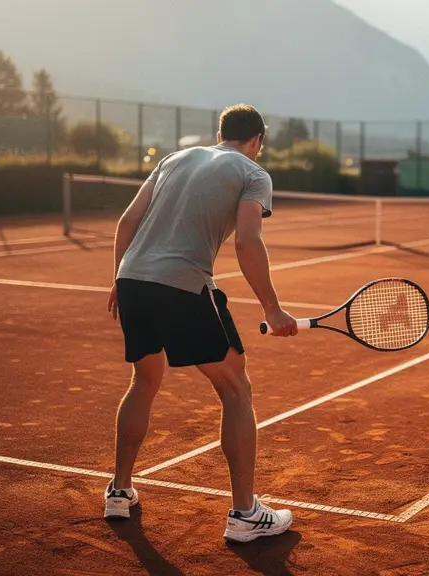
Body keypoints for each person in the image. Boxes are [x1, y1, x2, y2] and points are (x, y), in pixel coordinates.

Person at [101, 104, 300, 543]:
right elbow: (248, 241)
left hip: (132, 279)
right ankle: (246, 514)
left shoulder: (176, 158)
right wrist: (272, 307)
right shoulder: (253, 172)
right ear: (257, 141)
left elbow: (127, 221)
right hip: (184, 285)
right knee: (236, 390)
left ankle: (119, 490)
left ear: (220, 133)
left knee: (144, 379)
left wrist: (120, 278)